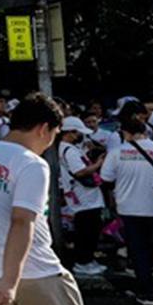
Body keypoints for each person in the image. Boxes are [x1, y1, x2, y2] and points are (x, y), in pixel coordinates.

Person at [0, 93, 86, 305]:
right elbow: (21, 221)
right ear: (43, 129)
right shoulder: (32, 164)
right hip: (36, 271)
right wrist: (10, 282)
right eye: (54, 134)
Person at [99, 106, 153, 305]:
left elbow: (106, 178)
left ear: (125, 133)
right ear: (146, 131)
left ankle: (147, 293)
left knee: (139, 251)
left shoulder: (116, 152)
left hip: (130, 209)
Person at [57, 117, 106, 276]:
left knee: (89, 229)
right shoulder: (69, 150)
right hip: (84, 198)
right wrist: (98, 164)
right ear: (70, 133)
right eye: (78, 133)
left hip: (85, 197)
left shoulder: (68, 148)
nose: (81, 136)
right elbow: (80, 171)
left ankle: (87, 260)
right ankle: (83, 262)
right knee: (87, 231)